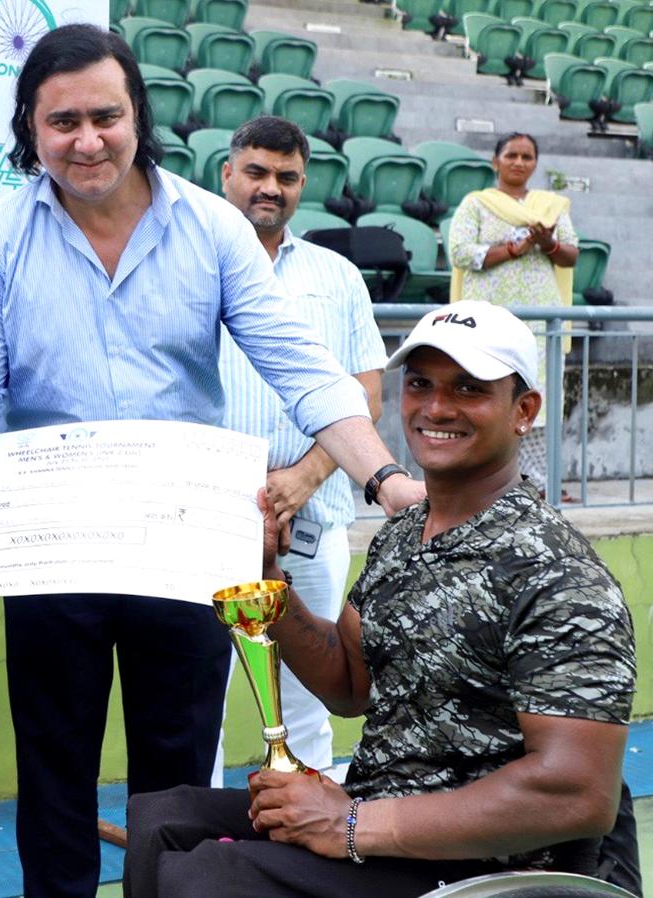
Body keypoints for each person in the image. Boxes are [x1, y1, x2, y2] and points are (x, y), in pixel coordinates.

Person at [0, 23, 424, 898]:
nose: (87, 141)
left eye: (106, 117)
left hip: (183, 546)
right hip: (53, 547)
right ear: (29, 130)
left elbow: (302, 369)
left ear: (139, 116)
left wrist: (385, 478)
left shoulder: (211, 227)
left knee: (177, 780)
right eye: (63, 122)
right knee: (52, 768)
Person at [124, 301, 637, 898]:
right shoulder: (403, 534)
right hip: (380, 818)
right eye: (421, 384)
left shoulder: (558, 575)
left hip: (488, 865)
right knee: (160, 820)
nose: (436, 408)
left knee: (211, 877)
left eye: (468, 389)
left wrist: (350, 824)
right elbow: (349, 682)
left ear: (524, 411)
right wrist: (268, 580)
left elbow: (578, 795)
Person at [217, 115, 385, 773]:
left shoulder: (336, 277)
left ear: (303, 184)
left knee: (314, 691)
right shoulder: (190, 268)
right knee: (199, 691)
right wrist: (250, 490)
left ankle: (307, 841)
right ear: (226, 174)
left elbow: (365, 397)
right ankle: (184, 856)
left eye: (287, 177)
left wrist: (306, 477)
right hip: (209, 514)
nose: (271, 187)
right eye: (256, 172)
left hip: (312, 518)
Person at [447, 132, 579, 493]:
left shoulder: (551, 207)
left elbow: (571, 254)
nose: (519, 162)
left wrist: (547, 243)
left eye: (527, 156)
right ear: (496, 161)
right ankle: (486, 482)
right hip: (490, 323)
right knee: (489, 395)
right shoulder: (476, 204)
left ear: (535, 164)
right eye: (511, 155)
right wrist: (512, 250)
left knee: (536, 396)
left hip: (539, 320)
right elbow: (459, 252)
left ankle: (539, 483)